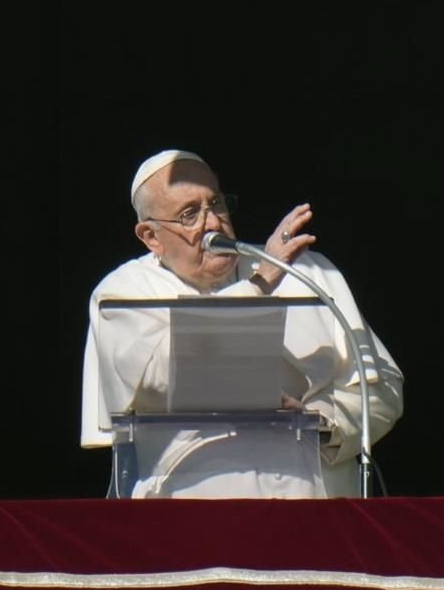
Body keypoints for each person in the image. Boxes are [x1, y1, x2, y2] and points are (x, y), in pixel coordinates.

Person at [80, 149, 404, 498]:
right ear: (151, 236)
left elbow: (383, 387)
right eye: (190, 214)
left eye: (216, 204)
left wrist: (321, 423)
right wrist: (260, 283)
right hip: (190, 518)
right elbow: (167, 376)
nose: (214, 223)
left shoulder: (306, 271)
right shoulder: (124, 291)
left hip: (312, 514)